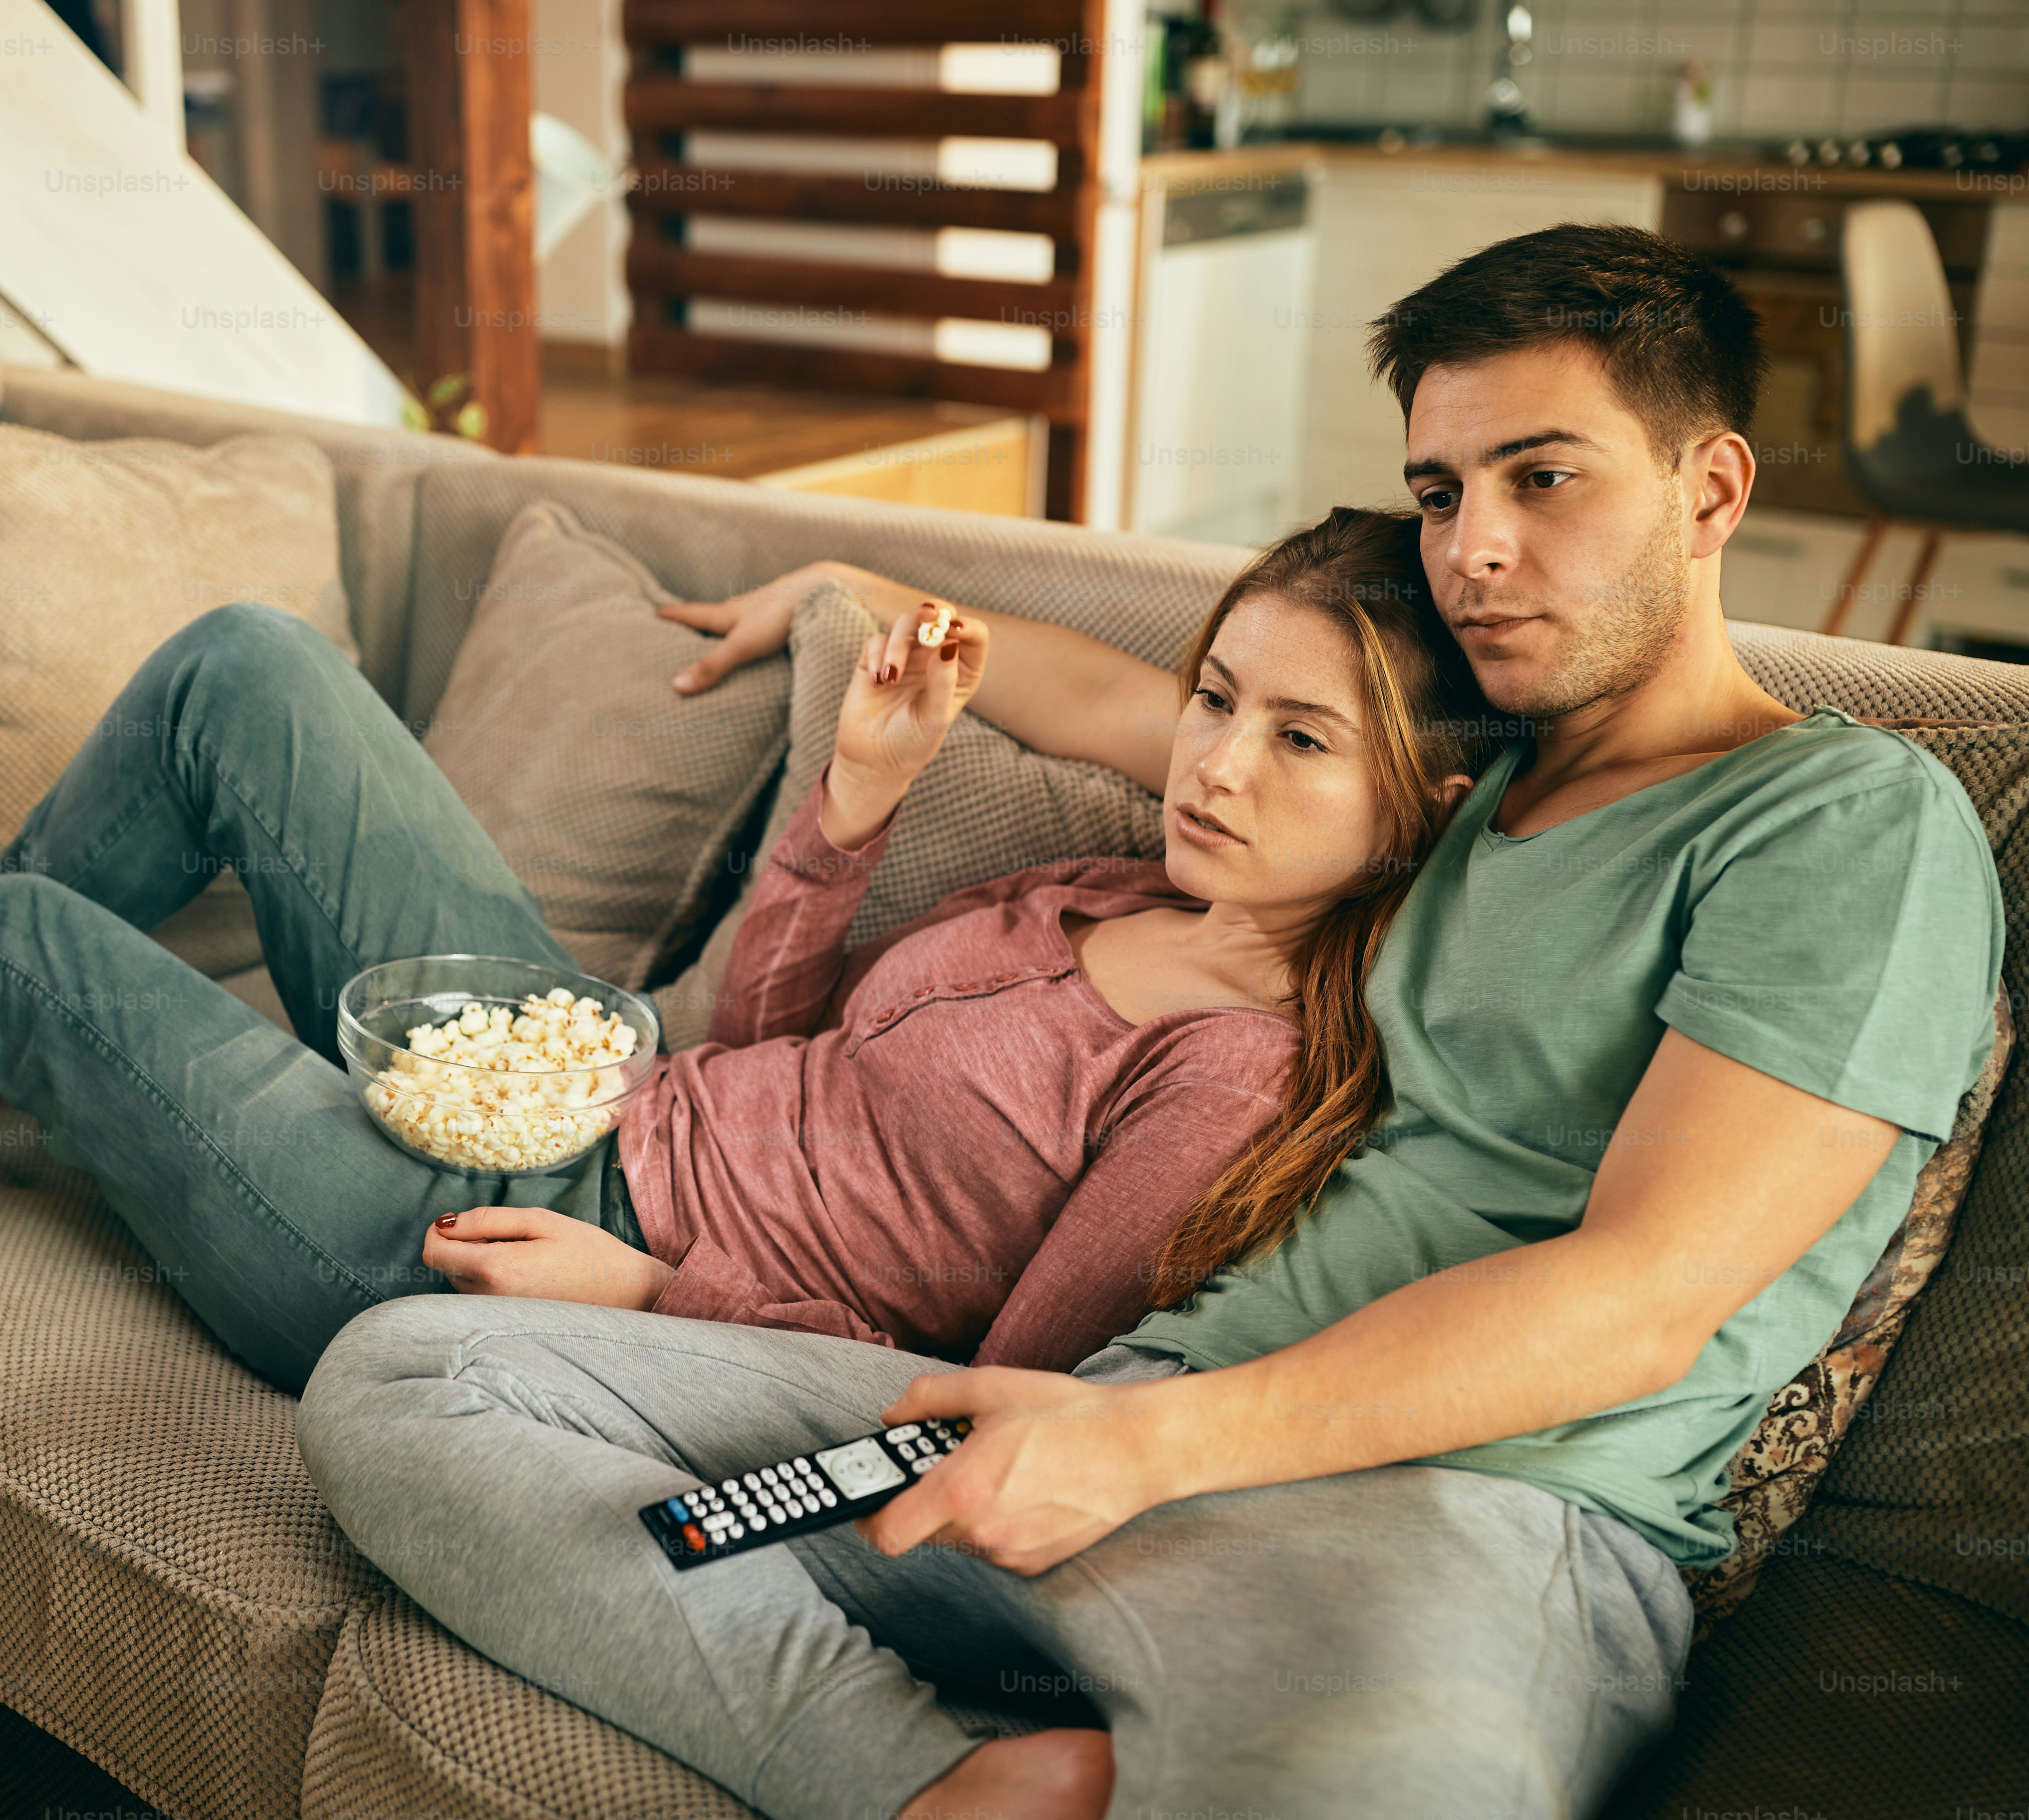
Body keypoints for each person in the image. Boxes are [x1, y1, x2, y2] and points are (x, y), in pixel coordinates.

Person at [292, 222, 2005, 1820]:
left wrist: (1140, 1443)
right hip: (1082, 1422)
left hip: (1458, 1516)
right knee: (412, 1380)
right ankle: (923, 1778)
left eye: (1543, 479)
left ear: (1711, 490)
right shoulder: (1449, 793)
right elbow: (1119, 701)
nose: (1473, 550)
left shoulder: (1840, 822)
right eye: (1438, 489)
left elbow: (1642, 1299)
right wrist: (837, 582)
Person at [0, 506, 1490, 1394]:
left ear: (1432, 804)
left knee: (15, 953)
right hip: (598, 1076)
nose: (1215, 765)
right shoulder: (1132, 887)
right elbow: (771, 1036)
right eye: (1217, 700)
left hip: (497, 1244)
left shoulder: (1227, 1081)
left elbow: (998, 1408)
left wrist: (656, 1289)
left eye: (1302, 742)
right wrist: (844, 806)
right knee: (245, 668)